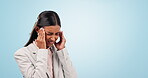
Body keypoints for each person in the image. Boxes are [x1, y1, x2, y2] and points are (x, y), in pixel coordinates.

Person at [14, 11, 77, 78]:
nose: (53, 39)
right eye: (49, 34)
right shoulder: (22, 54)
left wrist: (62, 50)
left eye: (56, 34)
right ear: (38, 29)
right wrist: (42, 50)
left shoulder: (58, 52)